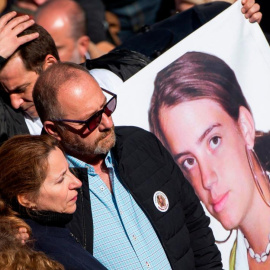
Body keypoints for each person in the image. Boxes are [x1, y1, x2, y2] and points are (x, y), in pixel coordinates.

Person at [33, 61, 222, 270]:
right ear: (54, 129)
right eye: (91, 121)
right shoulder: (43, 191)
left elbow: (195, 226)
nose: (107, 123)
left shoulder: (141, 145)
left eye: (107, 107)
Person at [148, 51, 270, 269]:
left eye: (214, 141)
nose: (206, 179)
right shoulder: (230, 261)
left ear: (245, 127)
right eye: (188, 161)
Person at [0, 134, 107, 270]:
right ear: (27, 199)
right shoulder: (39, 253)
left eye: (69, 170)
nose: (77, 182)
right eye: (60, 179)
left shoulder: (55, 226)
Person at [35, 0, 109, 61]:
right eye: (40, 49)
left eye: (55, 50)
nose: (45, 59)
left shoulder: (107, 75)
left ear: (83, 45)